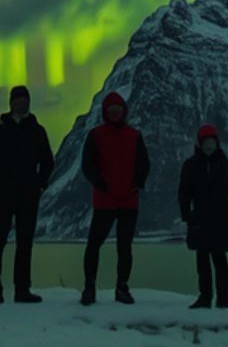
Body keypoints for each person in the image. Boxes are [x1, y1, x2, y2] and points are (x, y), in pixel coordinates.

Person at [0, 84, 54, 304]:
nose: (21, 103)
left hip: (28, 195)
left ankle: (22, 290)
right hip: (4, 194)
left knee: (25, 243)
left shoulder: (37, 131)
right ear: (11, 102)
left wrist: (39, 184)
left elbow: (48, 161)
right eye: (17, 99)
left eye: (24, 99)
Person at [80, 90, 149, 305]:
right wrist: (100, 184)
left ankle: (122, 287)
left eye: (118, 110)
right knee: (94, 244)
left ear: (124, 111)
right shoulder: (96, 135)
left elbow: (144, 163)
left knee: (124, 246)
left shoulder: (134, 135)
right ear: (106, 112)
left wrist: (137, 183)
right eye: (111, 110)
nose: (115, 113)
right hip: (105, 200)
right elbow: (87, 165)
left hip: (128, 200)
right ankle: (89, 287)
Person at [177, 123, 228, 309]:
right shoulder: (191, 165)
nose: (209, 146)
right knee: (202, 261)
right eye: (206, 142)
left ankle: (223, 299)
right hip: (200, 220)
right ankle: (205, 297)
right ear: (200, 143)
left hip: (220, 220)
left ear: (217, 142)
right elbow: (184, 193)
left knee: (220, 261)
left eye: (212, 142)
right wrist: (187, 215)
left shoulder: (226, 165)